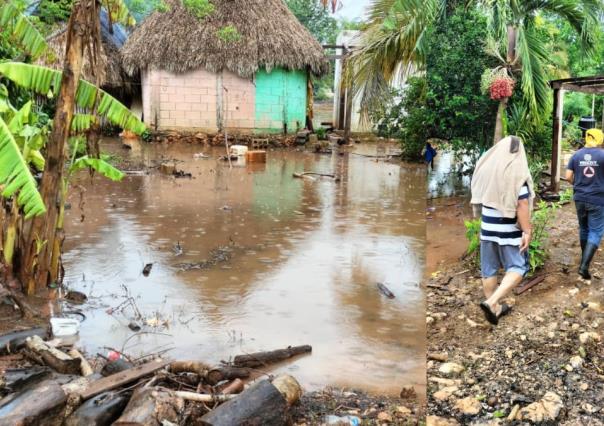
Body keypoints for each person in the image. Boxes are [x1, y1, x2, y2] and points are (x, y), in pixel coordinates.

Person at [470, 136, 535, 325]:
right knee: (518, 266)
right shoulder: (516, 171)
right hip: (508, 227)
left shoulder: (487, 168)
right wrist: (527, 231)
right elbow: (522, 204)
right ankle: (491, 302)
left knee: (489, 269)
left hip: (487, 225)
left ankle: (496, 309)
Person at [565, 128, 604, 280]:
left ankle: (584, 259)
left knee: (584, 228)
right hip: (598, 199)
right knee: (596, 231)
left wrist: (578, 183)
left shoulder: (576, 154)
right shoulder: (602, 155)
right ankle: (584, 266)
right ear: (599, 138)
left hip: (579, 197)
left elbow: (568, 176)